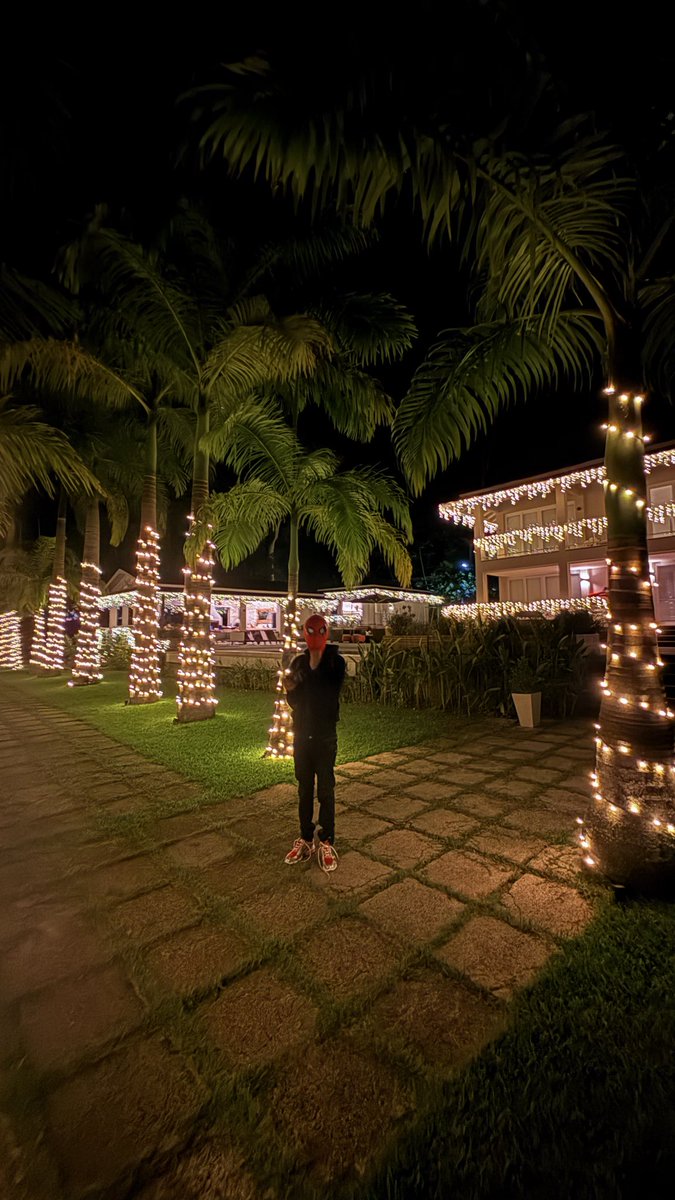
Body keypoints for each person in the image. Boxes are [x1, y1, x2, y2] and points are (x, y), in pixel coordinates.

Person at [283, 613, 346, 872]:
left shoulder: (335, 662)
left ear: (327, 632)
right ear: (304, 632)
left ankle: (327, 840)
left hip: (324, 736)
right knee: (304, 789)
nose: (316, 636)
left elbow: (329, 692)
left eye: (321, 631)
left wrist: (309, 671)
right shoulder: (298, 662)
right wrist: (290, 689)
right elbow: (295, 703)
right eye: (311, 631)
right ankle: (306, 838)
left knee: (326, 790)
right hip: (302, 735)